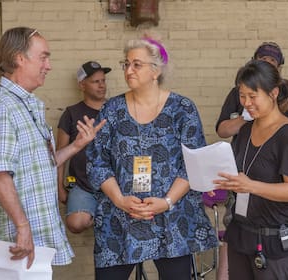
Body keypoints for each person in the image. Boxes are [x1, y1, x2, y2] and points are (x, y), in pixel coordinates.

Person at [0, 27, 105, 279]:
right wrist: (22, 227)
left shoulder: (25, 105)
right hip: (14, 242)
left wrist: (77, 145)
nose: (49, 65)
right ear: (20, 58)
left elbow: (40, 164)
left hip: (32, 239)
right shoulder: (1, 107)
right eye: (43, 57)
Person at [86, 36, 217, 280]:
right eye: (126, 63)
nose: (128, 70)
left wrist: (167, 201)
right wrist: (119, 199)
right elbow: (97, 161)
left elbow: (192, 162)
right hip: (120, 215)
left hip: (171, 216)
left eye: (137, 64)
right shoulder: (111, 109)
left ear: (155, 70)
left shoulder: (182, 108)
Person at [213, 60, 288, 280]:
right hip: (242, 233)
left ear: (273, 93)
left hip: (275, 240)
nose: (246, 103)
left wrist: (251, 186)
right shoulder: (245, 130)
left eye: (253, 96)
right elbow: (239, 172)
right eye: (242, 95)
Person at [57, 61, 111, 233]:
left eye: (103, 81)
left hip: (114, 184)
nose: (101, 85)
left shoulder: (116, 110)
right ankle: (101, 217)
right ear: (82, 85)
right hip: (82, 185)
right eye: (96, 82)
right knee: (76, 223)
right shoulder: (71, 113)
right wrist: (59, 188)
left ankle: (104, 217)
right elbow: (59, 155)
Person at [216, 42, 288, 141]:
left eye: (272, 60)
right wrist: (246, 117)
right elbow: (222, 131)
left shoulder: (286, 95)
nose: (247, 102)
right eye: (263, 59)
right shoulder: (237, 92)